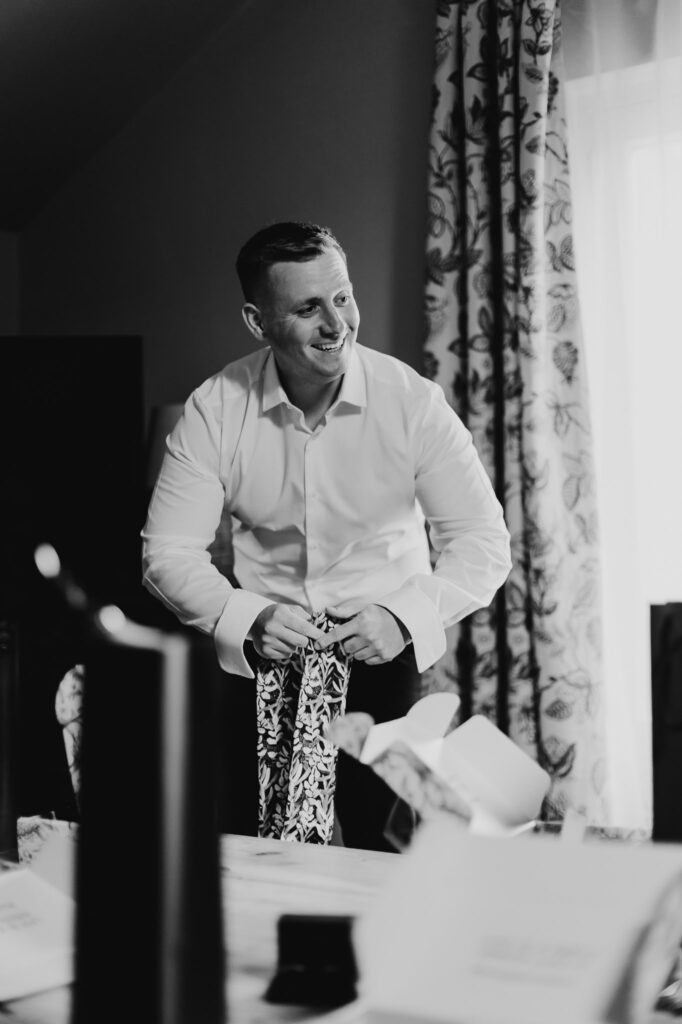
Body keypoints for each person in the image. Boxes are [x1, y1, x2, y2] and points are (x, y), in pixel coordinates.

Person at [142, 221, 511, 851]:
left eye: (341, 298)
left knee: (387, 851)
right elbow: (166, 553)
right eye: (308, 307)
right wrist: (244, 614)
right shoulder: (214, 409)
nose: (335, 324)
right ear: (259, 322)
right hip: (262, 654)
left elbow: (482, 541)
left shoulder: (412, 403)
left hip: (381, 653)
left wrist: (404, 615)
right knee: (246, 849)